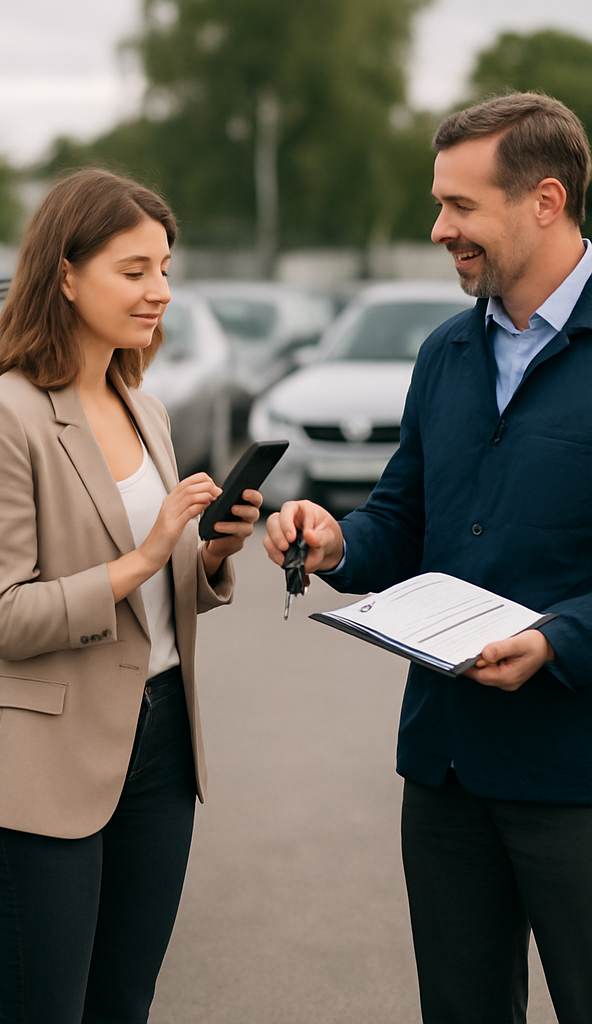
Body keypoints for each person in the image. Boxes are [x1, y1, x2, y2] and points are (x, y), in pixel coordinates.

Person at [264, 92, 592, 1024]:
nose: (438, 227)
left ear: (546, 200)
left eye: (460, 206)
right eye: (438, 203)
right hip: (446, 772)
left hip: (578, 777)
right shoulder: (445, 352)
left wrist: (561, 640)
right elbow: (401, 522)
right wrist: (334, 539)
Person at [0, 168, 261, 1023]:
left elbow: (159, 595)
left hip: (160, 747)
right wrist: (147, 550)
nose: (160, 291)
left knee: (122, 1003)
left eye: (165, 268)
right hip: (45, 761)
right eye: (134, 271)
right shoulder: (1, 418)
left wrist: (204, 558)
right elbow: (2, 617)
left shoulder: (143, 406)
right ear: (66, 273)